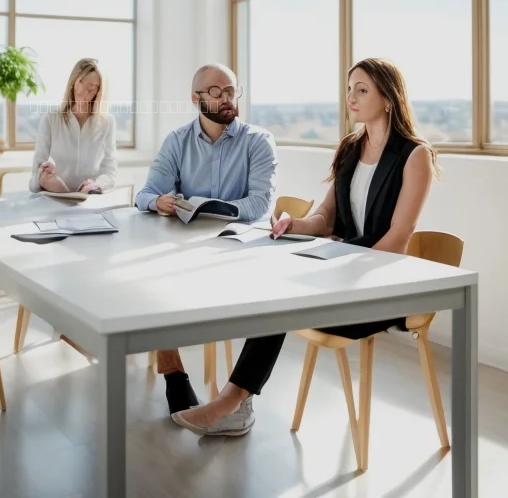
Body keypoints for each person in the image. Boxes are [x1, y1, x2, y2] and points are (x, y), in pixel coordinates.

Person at [171, 58, 438, 437]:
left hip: (381, 288)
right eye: (349, 89)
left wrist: (338, 259)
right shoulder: (350, 148)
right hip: (339, 274)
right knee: (277, 296)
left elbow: (397, 240)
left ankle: (232, 404)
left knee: (281, 300)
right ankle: (235, 404)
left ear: (389, 98)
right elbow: (326, 219)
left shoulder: (415, 155)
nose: (351, 97)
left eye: (362, 89)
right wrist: (292, 224)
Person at [135, 62, 277, 414]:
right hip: (185, 249)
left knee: (270, 303)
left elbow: (261, 203)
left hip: (239, 250)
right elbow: (145, 193)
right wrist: (159, 201)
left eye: (231, 90)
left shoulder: (258, 141)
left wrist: (210, 209)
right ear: (196, 98)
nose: (227, 98)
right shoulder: (177, 140)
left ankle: (237, 395)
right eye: (217, 91)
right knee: (148, 285)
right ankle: (174, 375)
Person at [29, 58, 117, 195]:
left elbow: (110, 171)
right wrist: (45, 175)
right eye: (80, 83)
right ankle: (68, 197)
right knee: (48, 181)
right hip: (56, 195)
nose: (83, 91)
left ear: (99, 91)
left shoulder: (107, 122)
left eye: (91, 87)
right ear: (73, 82)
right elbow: (36, 174)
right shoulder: (51, 119)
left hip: (90, 198)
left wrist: (96, 185)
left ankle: (73, 198)